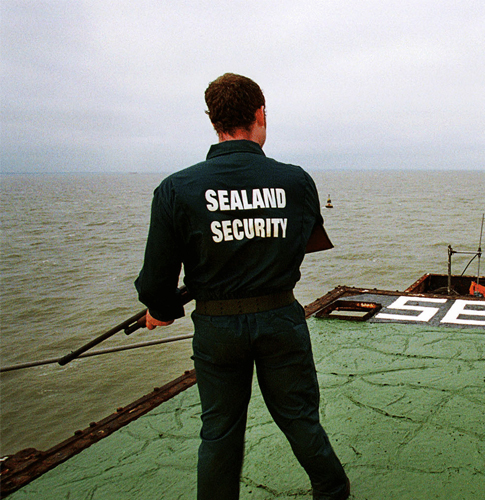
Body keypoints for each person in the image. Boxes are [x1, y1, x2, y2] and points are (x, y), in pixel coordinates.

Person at [134, 73, 350, 500]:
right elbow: (299, 245)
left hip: (217, 327)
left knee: (219, 430)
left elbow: (158, 279)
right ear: (259, 115)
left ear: (214, 121)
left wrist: (160, 309)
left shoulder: (176, 189)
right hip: (280, 318)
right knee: (300, 418)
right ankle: (333, 490)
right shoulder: (296, 181)